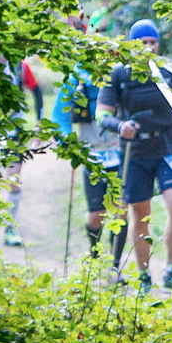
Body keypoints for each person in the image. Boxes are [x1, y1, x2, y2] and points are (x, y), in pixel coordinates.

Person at [95, 19, 172, 292]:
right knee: (140, 212)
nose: (148, 48)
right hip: (134, 151)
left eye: (152, 42)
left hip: (168, 148)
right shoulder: (118, 73)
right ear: (132, 45)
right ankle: (144, 275)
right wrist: (120, 126)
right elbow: (102, 114)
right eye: (142, 43)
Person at [51, 16, 118, 257]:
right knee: (96, 214)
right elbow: (59, 116)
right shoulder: (76, 77)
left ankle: (116, 264)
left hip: (120, 150)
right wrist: (68, 145)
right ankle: (96, 255)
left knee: (121, 210)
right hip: (92, 152)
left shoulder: (117, 72)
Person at [0, 59, 43, 246]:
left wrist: (39, 122)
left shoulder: (20, 65)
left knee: (13, 180)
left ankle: (9, 228)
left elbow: (37, 91)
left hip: (13, 132)